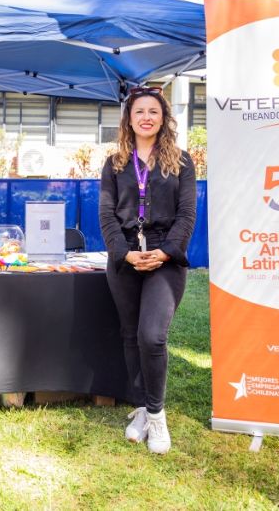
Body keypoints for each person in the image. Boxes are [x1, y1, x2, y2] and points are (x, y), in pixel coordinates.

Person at [98, 85, 196, 454]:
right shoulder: (114, 163)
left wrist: (166, 252)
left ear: (163, 117)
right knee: (130, 335)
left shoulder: (181, 161)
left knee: (152, 336)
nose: (146, 117)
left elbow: (187, 215)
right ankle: (141, 407)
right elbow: (106, 214)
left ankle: (156, 415)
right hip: (125, 258)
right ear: (129, 118)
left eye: (153, 111)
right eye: (139, 111)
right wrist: (123, 253)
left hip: (164, 257)